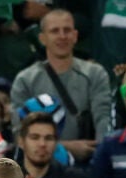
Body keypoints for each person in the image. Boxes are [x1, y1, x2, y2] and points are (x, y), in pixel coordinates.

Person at [10, 9, 111, 164]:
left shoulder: (95, 74)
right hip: (40, 166)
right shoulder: (25, 80)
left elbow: (104, 119)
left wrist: (101, 158)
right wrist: (65, 147)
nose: (62, 36)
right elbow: (19, 133)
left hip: (88, 163)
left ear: (75, 36)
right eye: (55, 31)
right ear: (42, 38)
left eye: (67, 30)